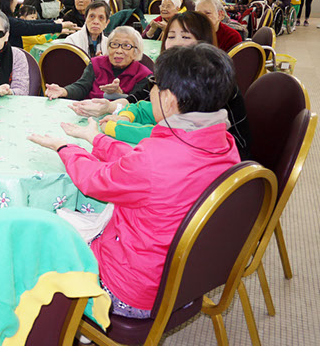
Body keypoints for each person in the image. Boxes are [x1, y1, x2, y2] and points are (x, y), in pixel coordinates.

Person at [29, 43, 240, 318]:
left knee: (35, 239)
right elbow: (140, 165)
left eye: (154, 85)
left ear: (168, 99)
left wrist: (65, 148)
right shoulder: (224, 143)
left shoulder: (154, 159)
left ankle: (59, 323)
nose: (151, 91)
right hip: (184, 282)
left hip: (129, 291)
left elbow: (95, 180)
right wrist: (97, 140)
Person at [95, 11, 250, 159]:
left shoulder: (214, 86)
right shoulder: (169, 76)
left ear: (204, 43)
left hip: (216, 165)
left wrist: (117, 128)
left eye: (185, 36)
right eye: (171, 36)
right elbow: (143, 98)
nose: (176, 43)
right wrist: (116, 109)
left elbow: (176, 134)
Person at [45, 26, 152, 102]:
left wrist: (119, 95)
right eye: (114, 44)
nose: (119, 51)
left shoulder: (144, 75)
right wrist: (63, 91)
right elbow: (82, 87)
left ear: (136, 51)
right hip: (89, 112)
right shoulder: (96, 63)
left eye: (126, 46)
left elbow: (137, 106)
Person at [0, 0, 75, 50]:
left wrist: (54, 23)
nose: (16, 2)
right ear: (8, 0)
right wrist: (58, 26)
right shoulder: (4, 21)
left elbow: (29, 23)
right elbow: (30, 27)